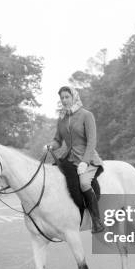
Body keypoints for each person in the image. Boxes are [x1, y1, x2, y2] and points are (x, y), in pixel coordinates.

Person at [47, 86, 104, 233]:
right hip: (69, 157)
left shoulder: (87, 115)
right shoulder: (61, 119)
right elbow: (57, 140)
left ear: (74, 97)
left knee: (84, 183)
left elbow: (92, 141)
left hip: (87, 158)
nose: (64, 100)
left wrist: (85, 162)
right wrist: (50, 146)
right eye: (62, 98)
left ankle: (96, 221)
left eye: (67, 97)